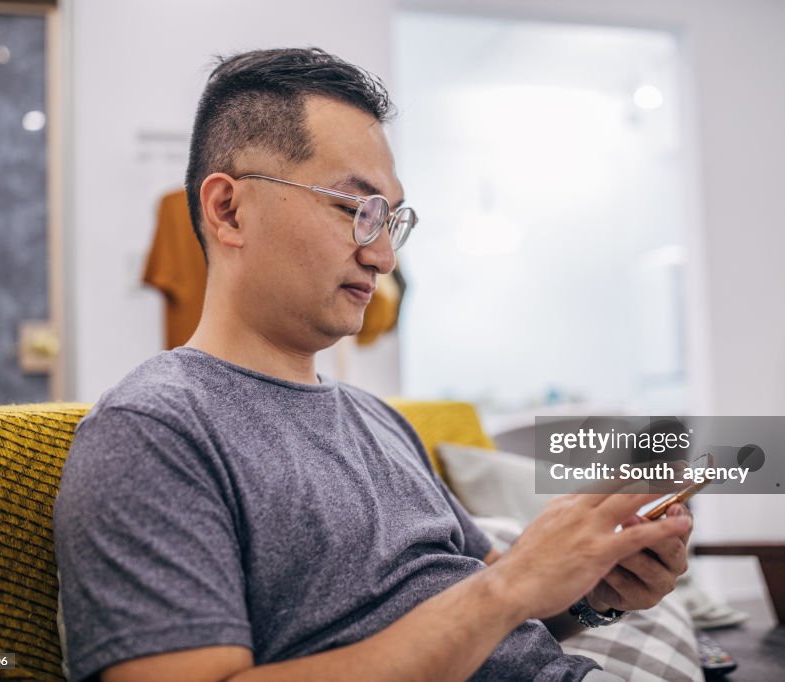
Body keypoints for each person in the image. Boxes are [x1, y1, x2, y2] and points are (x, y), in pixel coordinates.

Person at [53, 47, 692, 682]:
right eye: (354, 210)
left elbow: (495, 620)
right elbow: (495, 600)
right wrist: (509, 590)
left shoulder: (379, 421)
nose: (384, 256)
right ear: (229, 210)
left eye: (389, 218)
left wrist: (591, 593)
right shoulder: (153, 429)